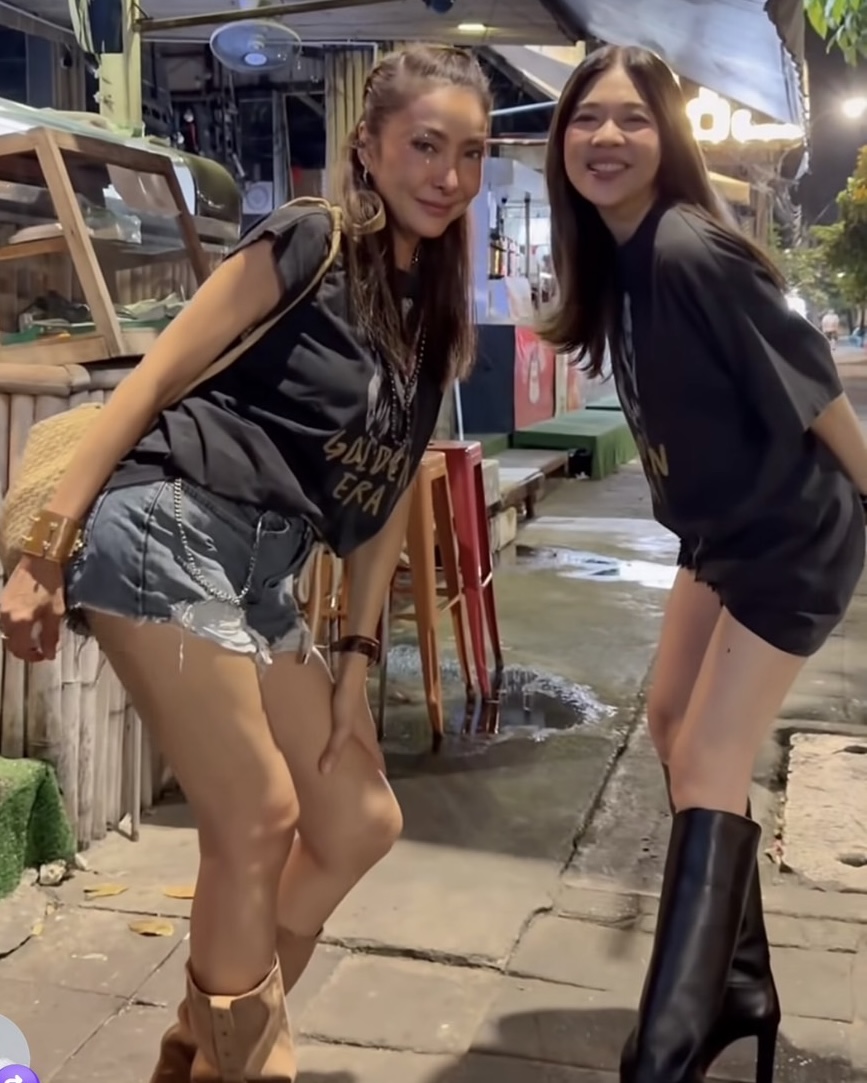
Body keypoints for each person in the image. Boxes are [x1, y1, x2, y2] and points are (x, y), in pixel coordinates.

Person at [0, 44, 490, 1082]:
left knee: (357, 819)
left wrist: (357, 661)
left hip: (266, 574)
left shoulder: (434, 313)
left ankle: (200, 1046)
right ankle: (248, 1062)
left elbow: (385, 499)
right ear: (369, 148)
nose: (448, 174)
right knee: (258, 816)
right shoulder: (311, 239)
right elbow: (150, 382)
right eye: (424, 145)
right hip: (167, 517)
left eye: (470, 153)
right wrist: (42, 550)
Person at [541, 45, 867, 1083]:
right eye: (587, 118)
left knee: (710, 759)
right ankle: (738, 987)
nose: (606, 137)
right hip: (720, 533)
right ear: (560, 140)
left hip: (790, 538)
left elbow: (816, 391)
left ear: (668, 139)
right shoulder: (623, 261)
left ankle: (669, 1045)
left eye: (633, 119)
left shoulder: (686, 248)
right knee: (671, 723)